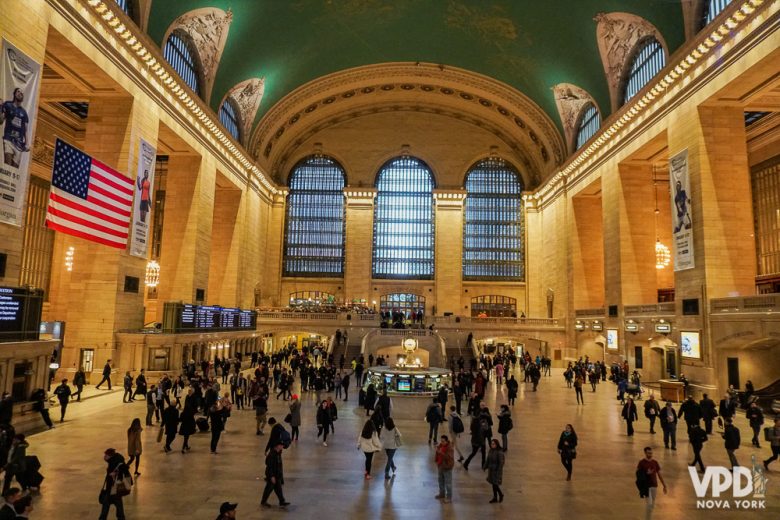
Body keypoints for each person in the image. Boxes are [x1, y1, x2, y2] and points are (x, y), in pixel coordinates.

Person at [98, 448, 131, 520]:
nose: (104, 457)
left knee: (110, 505)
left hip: (114, 488)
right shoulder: (113, 461)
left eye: (106, 455)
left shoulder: (117, 463)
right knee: (112, 505)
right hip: (111, 488)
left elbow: (125, 469)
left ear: (110, 456)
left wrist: (116, 473)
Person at [1, 88, 30, 168]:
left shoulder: (24, 113)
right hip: (8, 139)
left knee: (14, 169)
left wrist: (27, 143)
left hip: (19, 143)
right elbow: (1, 121)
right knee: (7, 164)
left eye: (22, 93)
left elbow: (26, 130)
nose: (20, 93)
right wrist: (0, 107)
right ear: (14, 93)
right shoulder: (7, 105)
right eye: (18, 91)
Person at [637, 447, 667, 519]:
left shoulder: (655, 462)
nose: (650, 454)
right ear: (645, 453)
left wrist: (664, 485)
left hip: (654, 486)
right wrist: (646, 473)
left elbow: (659, 474)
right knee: (649, 504)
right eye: (648, 453)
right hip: (646, 487)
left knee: (652, 505)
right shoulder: (641, 463)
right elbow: (638, 475)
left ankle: (648, 517)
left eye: (651, 453)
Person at [261, 442, 289, 508]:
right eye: (281, 445)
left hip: (277, 475)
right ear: (277, 446)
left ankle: (282, 501)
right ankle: (263, 502)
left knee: (278, 489)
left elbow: (279, 465)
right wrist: (271, 476)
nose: (282, 446)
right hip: (272, 475)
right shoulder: (272, 454)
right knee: (268, 489)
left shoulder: (278, 453)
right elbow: (269, 466)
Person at [434, 434, 454, 503]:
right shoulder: (440, 446)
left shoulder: (450, 448)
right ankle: (442, 494)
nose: (441, 442)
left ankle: (449, 497)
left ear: (446, 441)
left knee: (448, 483)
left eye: (443, 441)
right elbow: (437, 454)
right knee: (440, 481)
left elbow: (449, 458)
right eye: (441, 441)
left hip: (447, 467)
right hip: (440, 466)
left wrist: (440, 453)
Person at [485, 438, 505, 503]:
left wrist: (498, 471)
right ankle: (495, 497)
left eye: (493, 444)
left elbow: (501, 463)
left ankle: (500, 495)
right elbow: (488, 459)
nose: (492, 445)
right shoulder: (491, 450)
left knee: (495, 484)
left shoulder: (499, 453)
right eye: (491, 444)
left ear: (496, 444)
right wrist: (485, 466)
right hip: (491, 471)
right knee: (493, 485)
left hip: (496, 471)